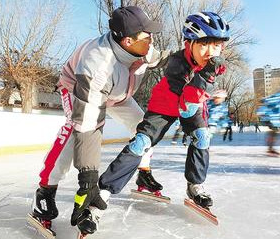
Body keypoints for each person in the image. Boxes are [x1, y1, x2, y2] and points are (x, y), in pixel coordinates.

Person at [30, 6, 167, 234]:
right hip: (78, 89)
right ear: (128, 41)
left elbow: (160, 60)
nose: (152, 40)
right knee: (75, 135)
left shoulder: (144, 47)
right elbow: (88, 125)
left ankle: (143, 173)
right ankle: (44, 193)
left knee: (145, 129)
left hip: (117, 94)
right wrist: (88, 180)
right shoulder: (98, 63)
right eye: (147, 35)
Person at [97, 12, 230, 222]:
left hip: (193, 103)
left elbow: (193, 105)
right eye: (204, 44)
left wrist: (207, 77)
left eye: (216, 45)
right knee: (142, 143)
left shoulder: (210, 63)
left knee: (203, 136)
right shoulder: (177, 63)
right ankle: (104, 190)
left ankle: (195, 185)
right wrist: (206, 77)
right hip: (166, 104)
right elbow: (184, 107)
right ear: (190, 42)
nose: (210, 52)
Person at [256, 85, 280, 156]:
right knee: (276, 131)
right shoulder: (279, 96)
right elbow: (268, 101)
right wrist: (263, 101)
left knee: (278, 132)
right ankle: (270, 149)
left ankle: (270, 149)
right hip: (268, 117)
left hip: (276, 120)